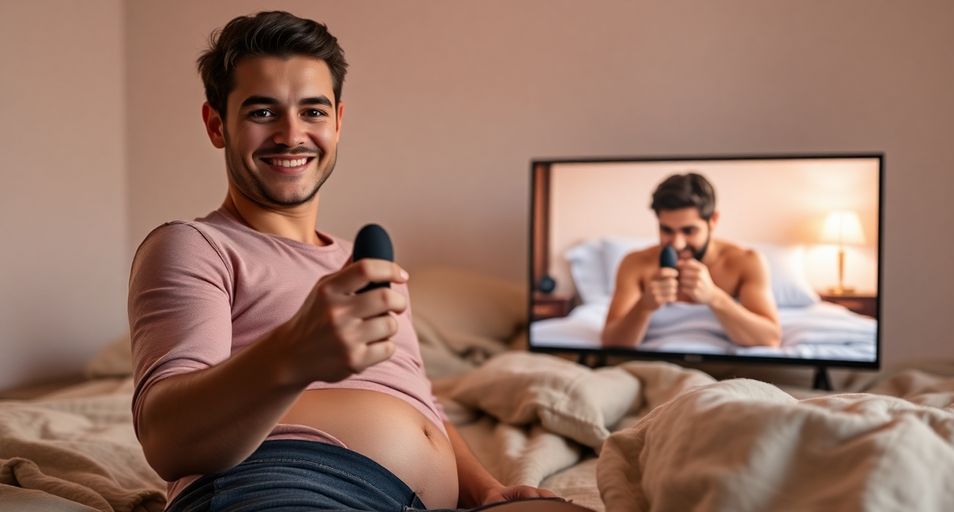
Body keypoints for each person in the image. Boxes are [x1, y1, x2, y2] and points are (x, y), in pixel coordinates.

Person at [128, 11, 560, 511]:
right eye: (262, 113)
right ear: (216, 124)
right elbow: (167, 440)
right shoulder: (194, 245)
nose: (291, 135)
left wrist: (486, 490)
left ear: (338, 120)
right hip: (286, 483)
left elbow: (416, 398)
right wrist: (295, 353)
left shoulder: (360, 263)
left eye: (312, 111)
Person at [600, 173, 781, 348]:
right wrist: (644, 306)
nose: (677, 244)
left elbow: (770, 338)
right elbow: (610, 342)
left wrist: (714, 297)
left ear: (713, 221)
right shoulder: (635, 263)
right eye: (667, 230)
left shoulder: (746, 262)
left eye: (689, 231)